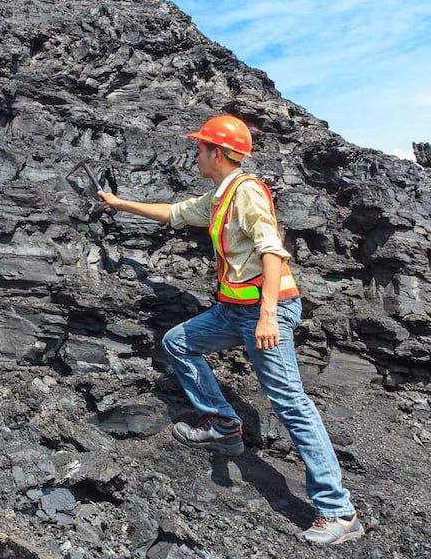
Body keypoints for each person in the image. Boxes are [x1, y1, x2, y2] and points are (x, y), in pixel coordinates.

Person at [96, 114, 364, 547]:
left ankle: (338, 511)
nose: (195, 154)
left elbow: (272, 251)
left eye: (200, 148)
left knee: (290, 403)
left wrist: (269, 315)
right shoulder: (220, 198)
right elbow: (174, 213)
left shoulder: (248, 193)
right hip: (230, 311)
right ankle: (223, 424)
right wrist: (119, 203)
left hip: (263, 310)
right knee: (178, 343)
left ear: (216, 153)